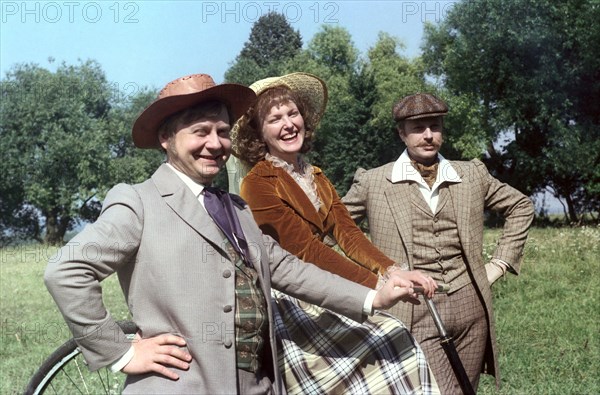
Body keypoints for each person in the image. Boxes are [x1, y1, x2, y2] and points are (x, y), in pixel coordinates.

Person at [44, 74, 428, 395]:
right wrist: (121, 354)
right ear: (166, 138)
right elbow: (66, 271)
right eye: (200, 132)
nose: (215, 144)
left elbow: (286, 268)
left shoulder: (236, 208)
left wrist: (374, 296)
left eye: (223, 132)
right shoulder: (139, 202)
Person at [230, 72, 439, 394]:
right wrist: (378, 287)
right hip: (294, 294)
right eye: (275, 119)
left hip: (328, 284)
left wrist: (393, 269)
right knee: (390, 335)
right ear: (259, 133)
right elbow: (305, 251)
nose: (288, 124)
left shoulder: (316, 175)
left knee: (396, 345)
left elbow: (349, 234)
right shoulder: (258, 182)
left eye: (293, 113)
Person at [342, 92, 535, 393]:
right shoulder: (374, 182)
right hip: (413, 310)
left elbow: (521, 206)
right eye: (418, 128)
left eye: (435, 126)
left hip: (471, 309)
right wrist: (372, 278)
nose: (428, 135)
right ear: (401, 133)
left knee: (465, 388)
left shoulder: (470, 175)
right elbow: (334, 228)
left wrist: (499, 263)